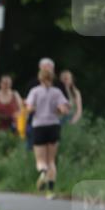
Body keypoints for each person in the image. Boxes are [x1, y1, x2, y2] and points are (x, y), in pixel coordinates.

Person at [25, 68, 70, 199]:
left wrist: (32, 108)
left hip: (39, 126)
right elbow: (64, 109)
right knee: (51, 161)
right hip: (53, 126)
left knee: (40, 160)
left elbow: (29, 108)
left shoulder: (35, 91)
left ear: (40, 78)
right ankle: (50, 191)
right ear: (52, 78)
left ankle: (43, 173)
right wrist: (61, 110)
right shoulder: (57, 92)